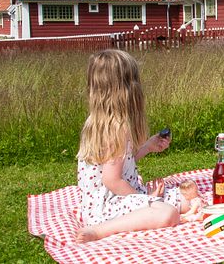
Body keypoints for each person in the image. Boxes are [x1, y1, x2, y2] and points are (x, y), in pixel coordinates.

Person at [75, 49, 187, 243]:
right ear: (125, 89)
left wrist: (147, 147)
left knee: (185, 199)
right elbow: (112, 180)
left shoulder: (101, 121)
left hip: (112, 198)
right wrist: (144, 200)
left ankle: (141, 210)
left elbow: (116, 165)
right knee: (168, 214)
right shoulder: (116, 128)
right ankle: (99, 231)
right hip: (107, 206)